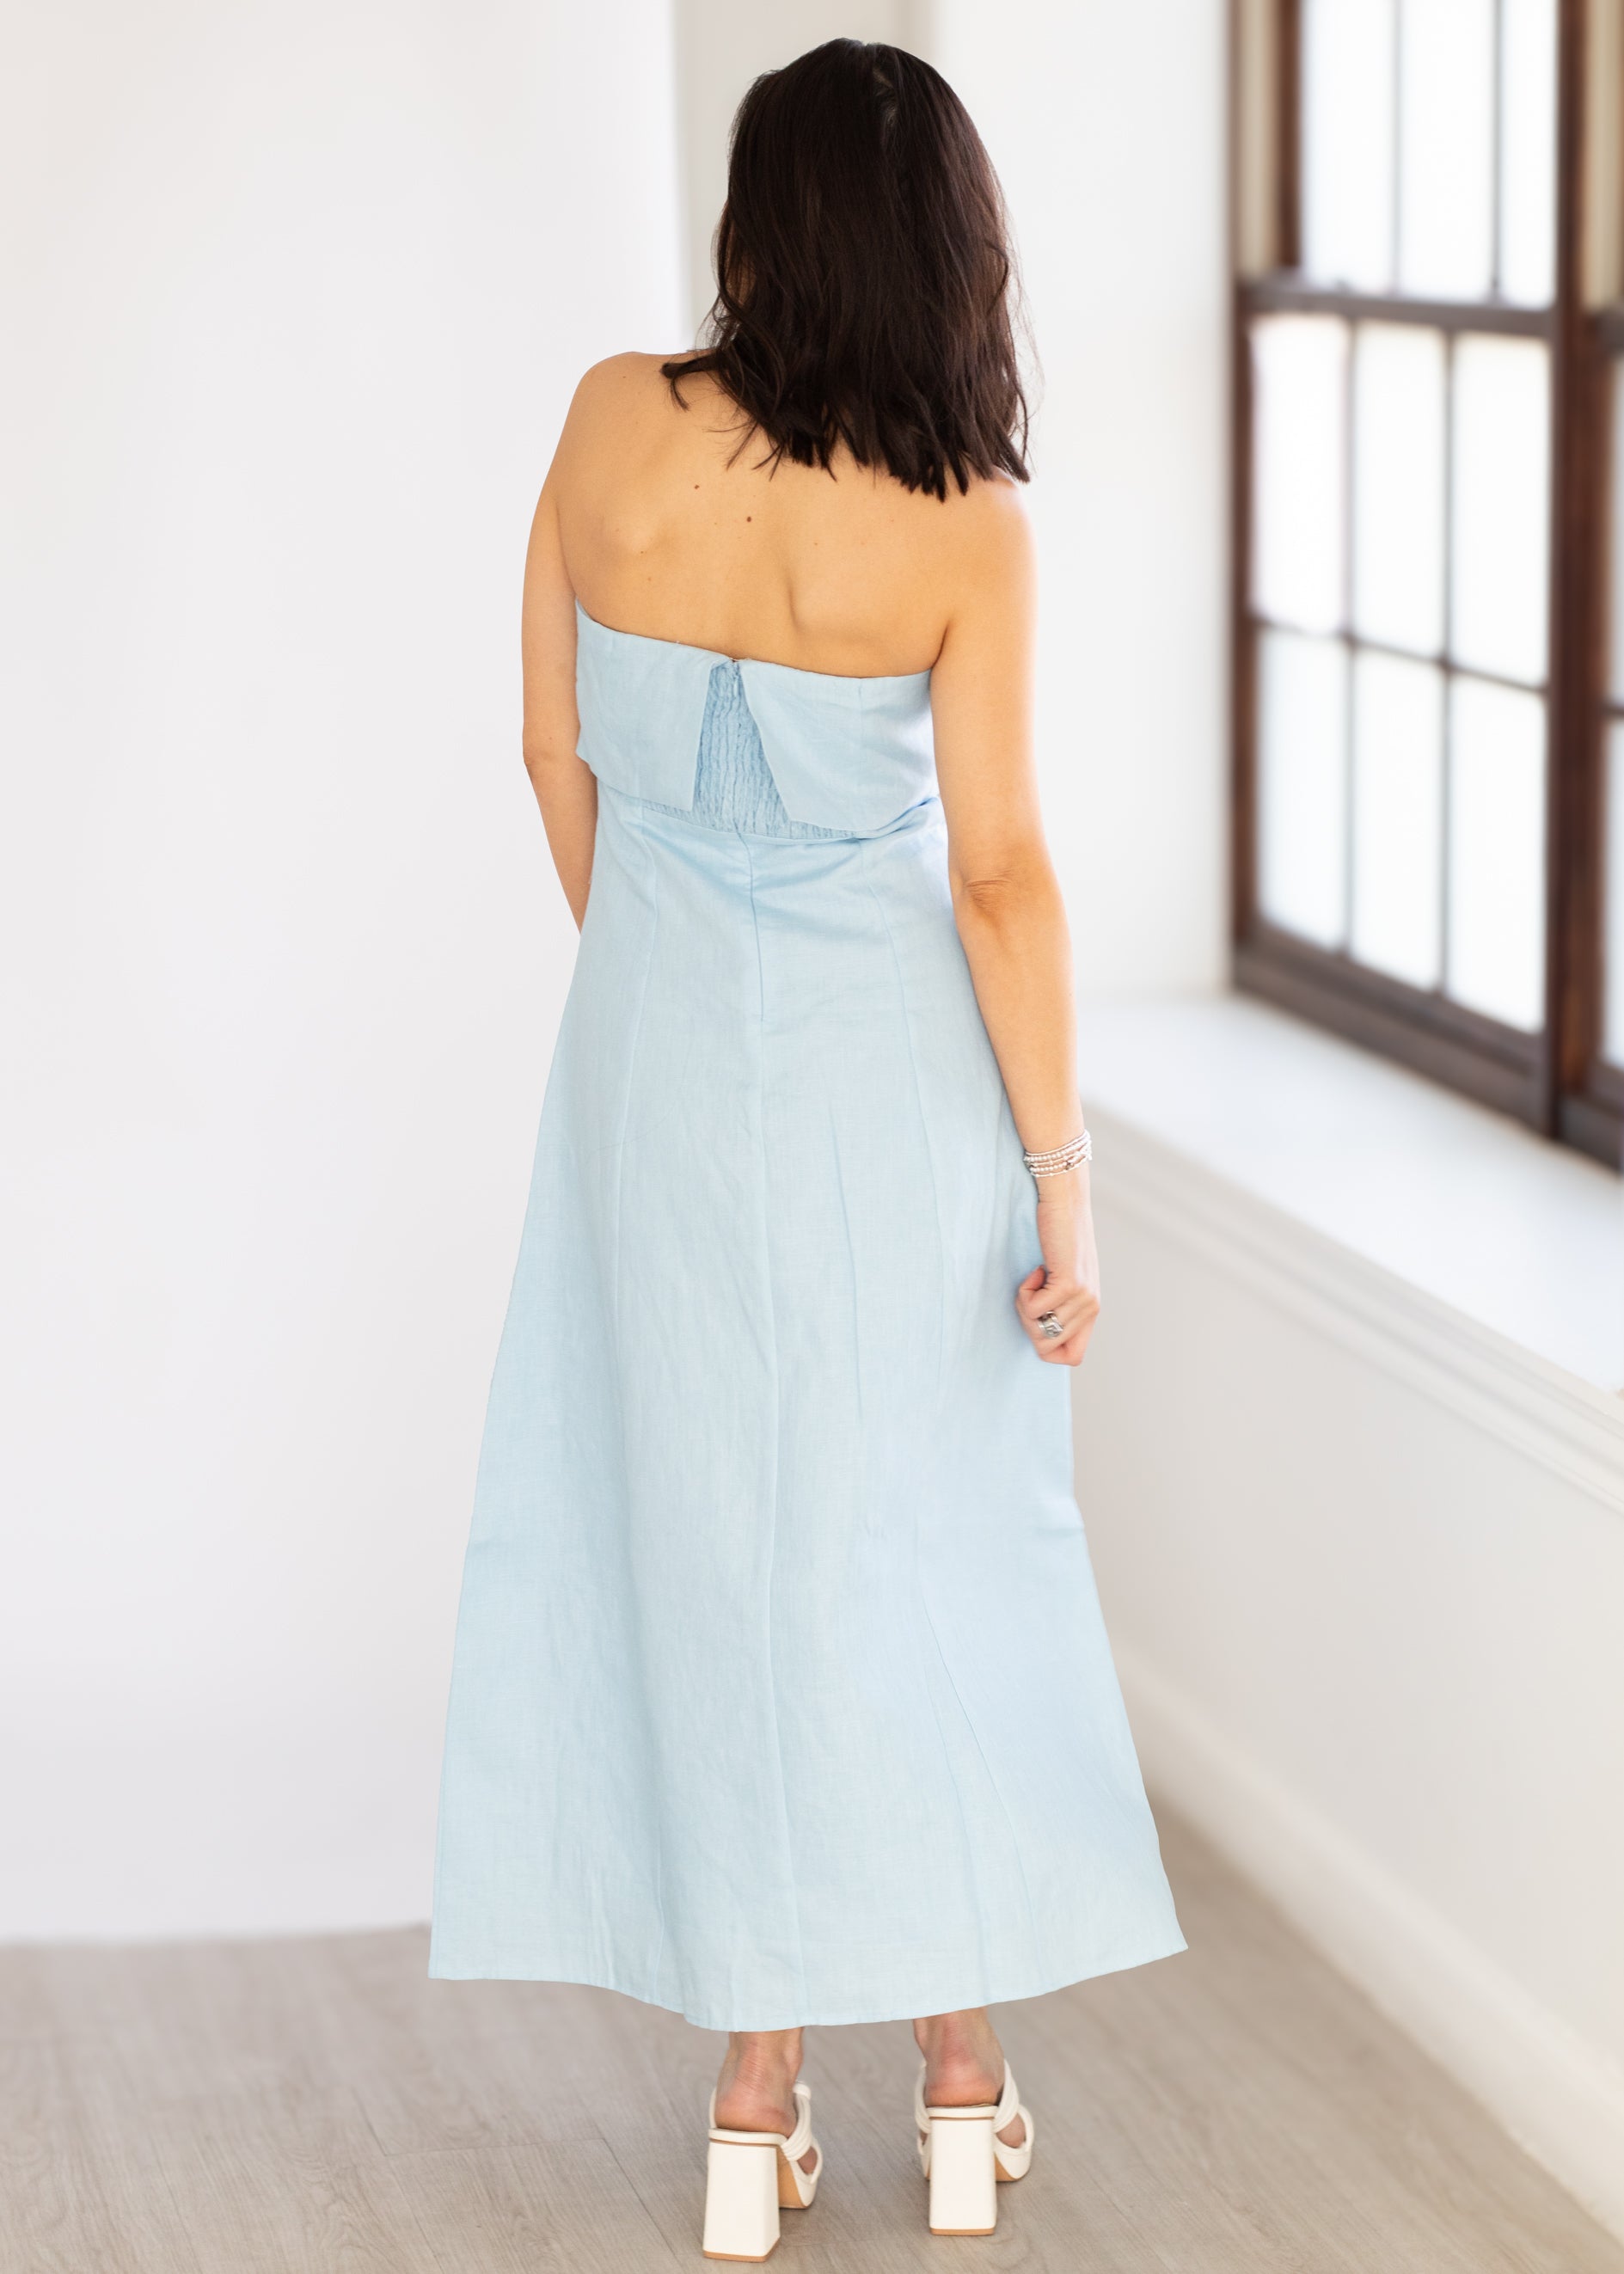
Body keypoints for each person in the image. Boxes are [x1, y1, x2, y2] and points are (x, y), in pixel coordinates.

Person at [429, 38, 1183, 2259]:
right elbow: (1000, 880)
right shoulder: (961, 523)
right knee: (920, 1566)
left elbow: (549, 748)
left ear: (758, 227)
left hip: (650, 1077)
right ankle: (960, 2089)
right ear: (952, 247)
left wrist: (665, 969)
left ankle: (750, 2110)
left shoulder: (604, 423)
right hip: (896, 1099)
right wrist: (1061, 1182)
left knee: (696, 1555)